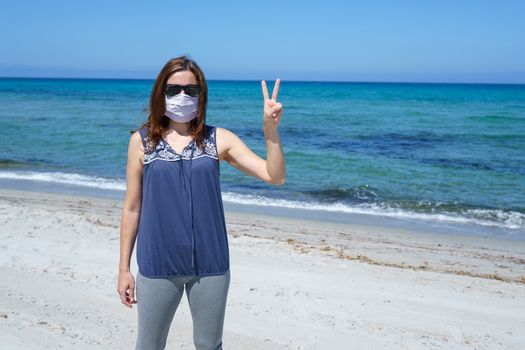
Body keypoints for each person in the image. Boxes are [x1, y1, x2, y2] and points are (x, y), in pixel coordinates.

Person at [117, 55, 285, 350]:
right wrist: (123, 269)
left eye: (191, 90)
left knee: (209, 345)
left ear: (201, 95)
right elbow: (132, 207)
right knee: (149, 345)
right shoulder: (141, 142)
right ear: (161, 92)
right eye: (174, 89)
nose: (182, 96)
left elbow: (274, 176)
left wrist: (270, 132)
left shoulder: (218, 139)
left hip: (211, 265)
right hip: (158, 263)